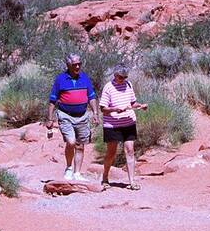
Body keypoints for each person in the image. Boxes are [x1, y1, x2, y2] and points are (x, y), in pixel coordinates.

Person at [46, 53, 100, 182]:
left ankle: (77, 173)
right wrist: (50, 119)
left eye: (79, 64)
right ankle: (69, 168)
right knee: (71, 142)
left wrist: (95, 113)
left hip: (82, 116)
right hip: (66, 116)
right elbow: (52, 100)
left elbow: (91, 97)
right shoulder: (60, 79)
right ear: (68, 65)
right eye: (74, 64)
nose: (77, 67)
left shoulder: (85, 78)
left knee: (80, 145)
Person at [99, 63, 147, 190]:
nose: (123, 79)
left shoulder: (128, 85)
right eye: (121, 77)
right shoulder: (108, 87)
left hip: (128, 122)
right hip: (112, 125)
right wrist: (115, 109)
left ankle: (132, 181)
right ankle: (105, 177)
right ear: (115, 75)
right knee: (111, 152)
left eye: (125, 77)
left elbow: (132, 103)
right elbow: (103, 109)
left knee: (130, 150)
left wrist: (140, 106)